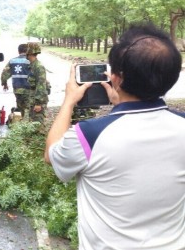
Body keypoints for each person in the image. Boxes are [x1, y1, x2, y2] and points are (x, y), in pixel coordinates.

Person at [45, 24, 185, 249]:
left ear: (116, 79)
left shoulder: (90, 135)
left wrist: (69, 101)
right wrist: (120, 102)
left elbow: (52, 154)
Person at [1, 44, 30, 117]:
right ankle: (28, 123)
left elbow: (4, 73)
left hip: (17, 89)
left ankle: (20, 121)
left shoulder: (12, 61)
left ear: (18, 51)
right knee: (29, 107)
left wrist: (4, 83)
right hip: (29, 89)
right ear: (28, 51)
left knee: (20, 107)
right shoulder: (30, 61)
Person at [25, 42, 48, 124]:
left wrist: (38, 103)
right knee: (32, 122)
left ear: (30, 52)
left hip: (37, 101)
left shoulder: (38, 67)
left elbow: (41, 85)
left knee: (38, 124)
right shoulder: (32, 65)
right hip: (33, 100)